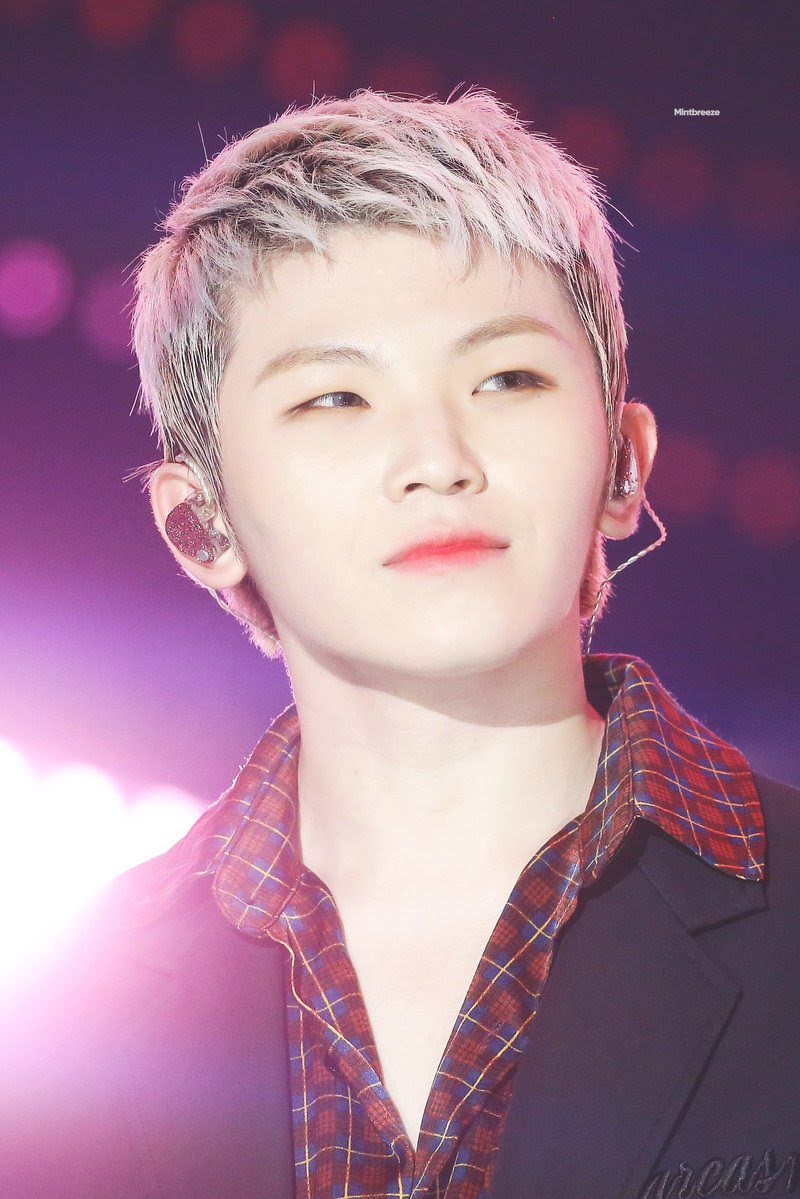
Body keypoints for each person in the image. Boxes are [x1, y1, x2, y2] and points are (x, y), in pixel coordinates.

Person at [2, 88, 799, 1199]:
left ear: (622, 460)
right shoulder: (57, 1022)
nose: (436, 458)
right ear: (202, 524)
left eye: (506, 378)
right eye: (335, 398)